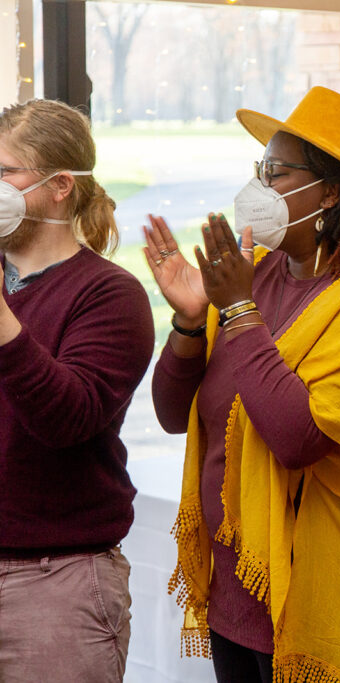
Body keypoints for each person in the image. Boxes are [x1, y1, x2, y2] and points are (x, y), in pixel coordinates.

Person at [149, 86, 340, 682]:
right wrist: (192, 320)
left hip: (319, 593)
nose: (259, 188)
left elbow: (298, 436)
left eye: (276, 173)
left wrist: (241, 312)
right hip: (238, 581)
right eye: (260, 169)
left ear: (330, 190)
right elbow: (176, 415)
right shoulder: (261, 272)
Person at [0, 99, 154, 681]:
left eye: (5, 172)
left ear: (60, 184)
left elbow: (67, 418)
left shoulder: (110, 295)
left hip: (53, 584)